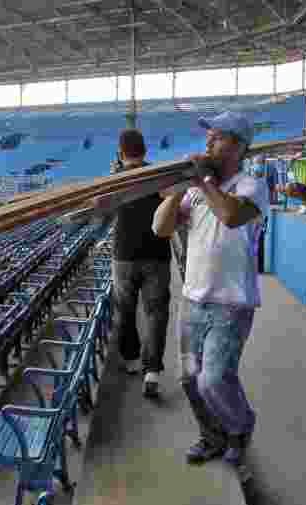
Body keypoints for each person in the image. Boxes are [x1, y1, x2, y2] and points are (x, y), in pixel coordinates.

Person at [152, 110, 268, 475]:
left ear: (235, 146)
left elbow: (231, 217)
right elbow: (160, 229)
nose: (207, 143)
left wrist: (203, 181)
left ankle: (240, 425)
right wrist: (174, 194)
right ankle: (212, 435)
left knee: (214, 378)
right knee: (189, 378)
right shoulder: (198, 189)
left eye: (214, 137)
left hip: (232, 302)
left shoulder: (251, 186)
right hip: (194, 298)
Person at [110, 129, 172, 398]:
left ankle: (132, 360)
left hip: (124, 255)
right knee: (156, 313)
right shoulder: (159, 175)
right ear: (145, 150)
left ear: (121, 151)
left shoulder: (114, 179)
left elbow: (104, 209)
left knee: (125, 310)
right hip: (157, 253)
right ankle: (152, 370)